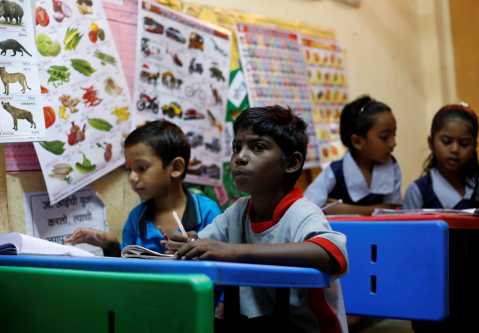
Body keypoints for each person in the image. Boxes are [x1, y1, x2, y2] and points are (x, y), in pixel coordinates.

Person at [168, 105, 349, 333]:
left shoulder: (302, 212)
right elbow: (209, 246)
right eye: (236, 147)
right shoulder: (238, 211)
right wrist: (191, 244)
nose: (240, 157)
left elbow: (331, 253)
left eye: (258, 147)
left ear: (291, 163)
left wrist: (235, 251)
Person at [403, 103, 479, 332]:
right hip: (437, 283)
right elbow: (407, 242)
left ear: (474, 147)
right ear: (431, 142)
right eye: (446, 142)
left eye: (464, 144)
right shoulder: (420, 189)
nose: (455, 149)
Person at [65, 120, 221, 256]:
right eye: (129, 170)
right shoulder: (136, 218)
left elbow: (219, 268)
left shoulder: (207, 213)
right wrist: (110, 244)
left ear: (176, 167)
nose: (132, 178)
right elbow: (129, 272)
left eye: (141, 168)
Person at [305, 95, 401, 215]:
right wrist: (378, 208)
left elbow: (393, 209)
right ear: (358, 142)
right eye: (384, 137)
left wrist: (343, 209)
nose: (393, 143)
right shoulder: (336, 171)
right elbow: (308, 205)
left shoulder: (392, 166)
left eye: (394, 134)